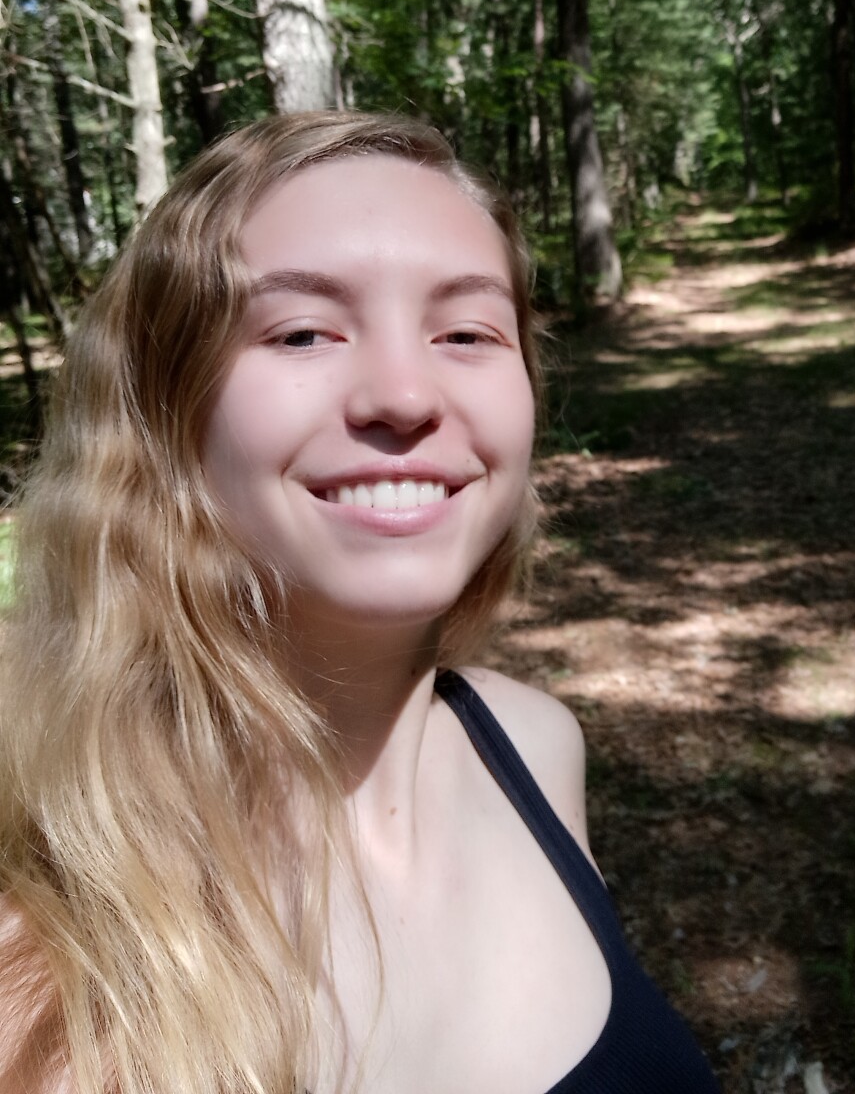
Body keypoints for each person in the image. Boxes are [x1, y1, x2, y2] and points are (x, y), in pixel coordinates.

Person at [0, 112, 722, 1094]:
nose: (404, 395)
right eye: (302, 331)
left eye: (466, 332)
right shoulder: (50, 960)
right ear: (164, 415)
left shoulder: (536, 746)